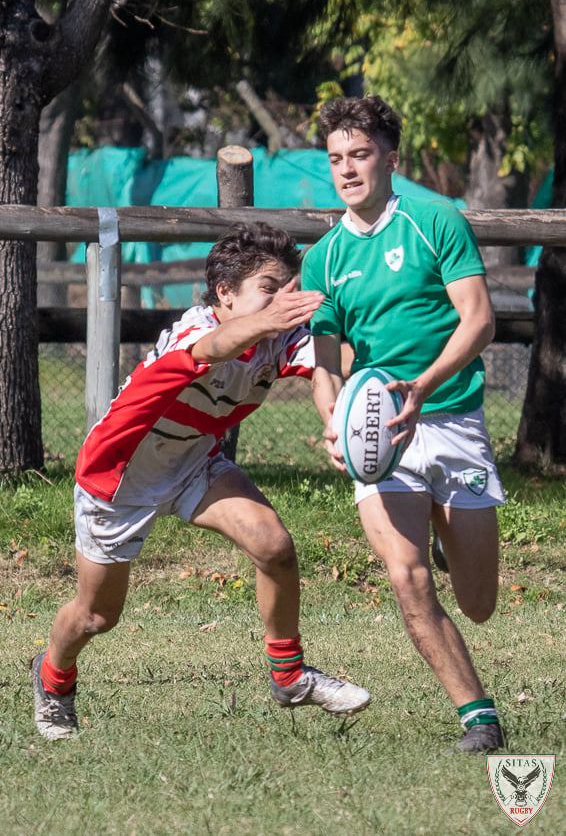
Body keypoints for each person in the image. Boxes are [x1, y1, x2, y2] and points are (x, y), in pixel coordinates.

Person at [32, 221, 371, 740]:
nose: (285, 301)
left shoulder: (279, 337)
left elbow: (333, 361)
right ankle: (52, 679)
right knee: (98, 616)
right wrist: (271, 321)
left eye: (290, 288)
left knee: (274, 546)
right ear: (225, 294)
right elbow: (214, 348)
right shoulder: (197, 329)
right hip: (119, 474)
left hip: (193, 462)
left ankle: (289, 676)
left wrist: (380, 377)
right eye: (269, 289)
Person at [301, 95, 506, 753]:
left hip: (451, 420)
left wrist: (420, 387)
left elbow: (478, 319)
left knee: (479, 602)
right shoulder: (324, 260)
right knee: (406, 576)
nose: (347, 169)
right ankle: (479, 719)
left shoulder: (434, 221)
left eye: (359, 155)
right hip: (380, 439)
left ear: (390, 158)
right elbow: (325, 366)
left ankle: (452, 543)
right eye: (336, 159)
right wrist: (335, 424)